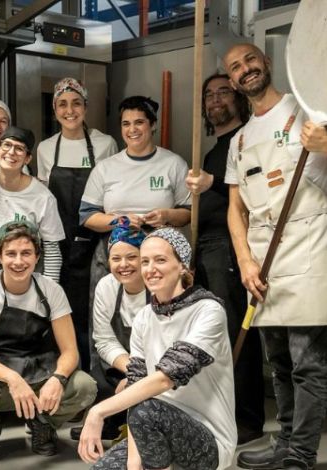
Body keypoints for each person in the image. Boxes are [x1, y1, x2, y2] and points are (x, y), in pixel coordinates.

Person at [223, 43, 327, 470]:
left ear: (266, 63)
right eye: (235, 68)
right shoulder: (241, 139)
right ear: (231, 81)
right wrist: (245, 261)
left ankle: (301, 455)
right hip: (263, 262)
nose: (245, 70)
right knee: (279, 363)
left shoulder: (307, 109)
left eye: (250, 61)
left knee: (308, 364)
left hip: (309, 246)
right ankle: (284, 442)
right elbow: (236, 209)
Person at [78, 228, 236, 470]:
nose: (150, 269)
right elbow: (136, 388)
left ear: (183, 266)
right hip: (151, 429)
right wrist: (133, 464)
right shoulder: (144, 317)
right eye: (145, 261)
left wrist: (97, 412)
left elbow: (165, 380)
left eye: (160, 260)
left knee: (146, 408)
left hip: (207, 439)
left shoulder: (208, 310)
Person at [0, 220, 97, 467]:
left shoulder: (51, 290)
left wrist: (58, 379)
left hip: (39, 372)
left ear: (37, 257)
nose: (18, 261)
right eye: (10, 254)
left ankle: (42, 424)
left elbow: (70, 352)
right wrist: (12, 379)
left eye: (26, 253)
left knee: (85, 387)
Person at [185, 72, 264, 445]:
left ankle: (247, 418)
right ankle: (222, 412)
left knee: (237, 333)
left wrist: (211, 183)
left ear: (239, 99)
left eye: (223, 93)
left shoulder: (247, 139)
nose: (216, 101)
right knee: (213, 334)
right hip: (207, 247)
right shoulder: (215, 149)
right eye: (209, 95)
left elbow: (249, 193)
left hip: (231, 249)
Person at [80, 95, 191, 321]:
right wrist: (119, 221)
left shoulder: (173, 164)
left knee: (161, 316)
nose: (132, 129)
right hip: (114, 253)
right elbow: (87, 217)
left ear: (153, 125)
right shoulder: (106, 168)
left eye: (139, 122)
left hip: (160, 256)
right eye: (126, 123)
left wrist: (167, 215)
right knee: (107, 317)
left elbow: (188, 213)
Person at [37, 78, 118, 371]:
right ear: (54, 109)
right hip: (59, 244)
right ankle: (67, 374)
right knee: (60, 310)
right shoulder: (46, 149)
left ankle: (96, 376)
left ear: (85, 107)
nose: (69, 110)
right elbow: (44, 199)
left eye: (76, 103)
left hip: (95, 242)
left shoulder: (105, 143)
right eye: (62, 104)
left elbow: (111, 193)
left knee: (95, 311)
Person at [84, 217, 149, 440]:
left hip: (157, 366)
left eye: (132, 257)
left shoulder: (158, 285)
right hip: (122, 365)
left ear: (145, 259)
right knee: (95, 384)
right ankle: (113, 423)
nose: (124, 265)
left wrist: (141, 375)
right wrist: (131, 370)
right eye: (116, 258)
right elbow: (103, 340)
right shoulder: (106, 286)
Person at [0, 126, 64, 281]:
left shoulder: (43, 197)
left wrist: (49, 291)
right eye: (7, 145)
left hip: (27, 270)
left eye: (19, 149)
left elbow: (52, 251)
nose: (11, 152)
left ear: (27, 158)